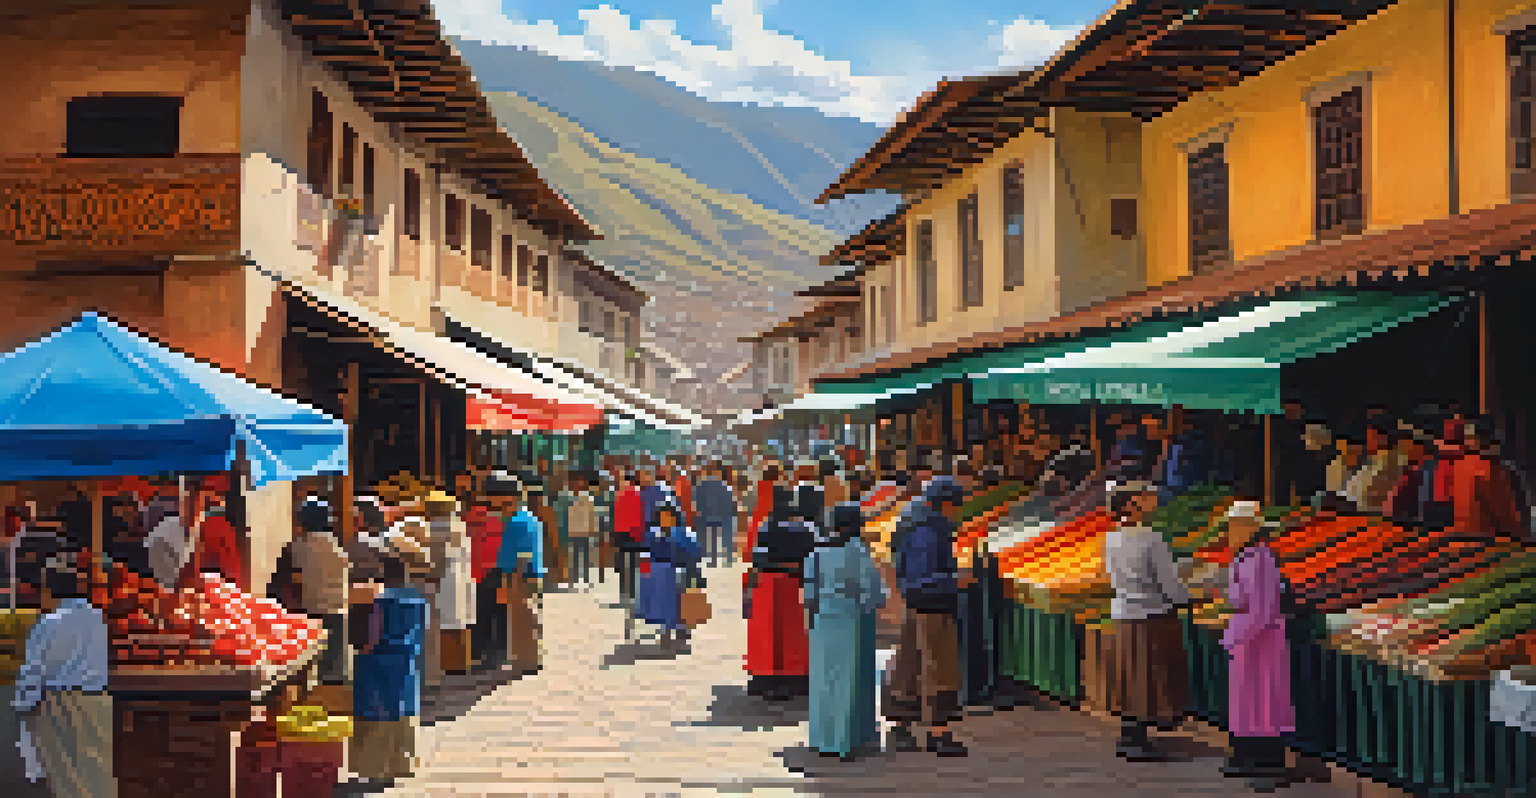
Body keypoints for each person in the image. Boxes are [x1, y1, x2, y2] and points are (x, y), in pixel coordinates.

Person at [1103, 480, 1192, 762]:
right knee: (1150, 675)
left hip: (1124, 613)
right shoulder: (1151, 539)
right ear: (1131, 505)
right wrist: (1186, 598)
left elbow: (1111, 574)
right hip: (1152, 613)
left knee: (1130, 675)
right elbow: (1169, 583)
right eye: (1144, 498)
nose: (1150, 503)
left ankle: (1129, 733)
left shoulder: (1111, 537)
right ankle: (1138, 740)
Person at [13, 551, 113, 798]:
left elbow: (34, 672)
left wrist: (20, 707)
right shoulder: (98, 618)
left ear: (49, 590)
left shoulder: (49, 623)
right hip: (98, 704)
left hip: (61, 708)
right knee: (96, 777)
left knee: (67, 783)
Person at [885, 476, 970, 757]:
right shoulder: (929, 531)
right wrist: (955, 581)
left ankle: (901, 729)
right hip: (933, 605)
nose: (958, 511)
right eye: (955, 505)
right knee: (940, 667)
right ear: (944, 504)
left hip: (915, 604)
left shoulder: (913, 522)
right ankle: (939, 733)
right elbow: (925, 578)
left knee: (909, 664)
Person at [1220, 501, 1296, 791]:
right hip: (1247, 637)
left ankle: (1269, 763)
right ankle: (1246, 755)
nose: (1229, 533)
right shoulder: (1246, 557)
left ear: (1250, 529)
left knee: (1264, 699)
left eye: (1234, 527)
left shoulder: (1260, 560)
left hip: (1260, 639)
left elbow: (1263, 609)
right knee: (1246, 699)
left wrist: (1240, 635)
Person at [805, 503, 887, 761]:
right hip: (851, 620)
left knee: (822, 679)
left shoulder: (817, 552)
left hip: (822, 619)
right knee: (848, 680)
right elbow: (872, 592)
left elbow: (809, 592)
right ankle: (845, 741)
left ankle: (821, 738)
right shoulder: (859, 552)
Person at [350, 546, 428, 785]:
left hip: (378, 662)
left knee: (377, 713)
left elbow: (373, 635)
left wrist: (359, 651)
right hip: (406, 662)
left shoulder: (380, 601)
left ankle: (376, 769)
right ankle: (402, 764)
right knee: (403, 711)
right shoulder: (417, 599)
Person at [745, 486, 816, 702]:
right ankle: (793, 680)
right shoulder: (806, 528)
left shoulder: (766, 527)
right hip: (795, 583)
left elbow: (757, 557)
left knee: (769, 634)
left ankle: (766, 679)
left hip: (768, 584)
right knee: (794, 635)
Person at [289, 497, 352, 685]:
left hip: (310, 613)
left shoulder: (299, 548)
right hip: (338, 611)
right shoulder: (336, 547)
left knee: (314, 672)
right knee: (336, 670)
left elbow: (295, 579)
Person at [635, 500, 703, 651]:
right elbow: (647, 553)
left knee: (675, 582)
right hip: (661, 576)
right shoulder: (653, 533)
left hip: (682, 573)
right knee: (661, 580)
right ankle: (666, 629)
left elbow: (696, 554)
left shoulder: (684, 533)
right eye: (662, 516)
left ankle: (679, 627)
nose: (665, 519)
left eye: (668, 516)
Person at [495, 482, 544, 674]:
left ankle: (526, 660)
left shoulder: (518, 521)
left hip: (519, 574)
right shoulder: (527, 518)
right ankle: (527, 658)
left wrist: (513, 579)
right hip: (524, 573)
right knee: (525, 617)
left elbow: (523, 554)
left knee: (522, 618)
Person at [426, 491, 474, 676]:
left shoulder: (436, 527)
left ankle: (449, 666)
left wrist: (430, 576)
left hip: (447, 579)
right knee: (462, 624)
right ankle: (463, 663)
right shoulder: (459, 525)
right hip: (463, 576)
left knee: (445, 625)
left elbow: (436, 558)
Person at [694, 463, 737, 567]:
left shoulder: (701, 484)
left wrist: (700, 511)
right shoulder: (723, 484)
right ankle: (728, 558)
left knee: (711, 538)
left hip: (707, 515)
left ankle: (712, 560)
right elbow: (729, 499)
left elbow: (697, 499)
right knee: (725, 537)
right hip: (722, 514)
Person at [567, 472, 599, 588]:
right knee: (575, 556)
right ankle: (574, 578)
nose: (577, 484)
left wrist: (593, 529)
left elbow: (592, 515)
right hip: (574, 531)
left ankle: (586, 578)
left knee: (585, 556)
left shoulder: (588, 498)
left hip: (585, 531)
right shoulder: (569, 497)